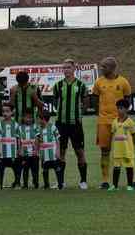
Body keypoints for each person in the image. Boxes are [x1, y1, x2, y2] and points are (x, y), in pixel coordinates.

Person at [91, 57, 132, 190]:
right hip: (103, 121)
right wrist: (101, 114)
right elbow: (95, 100)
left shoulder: (123, 82)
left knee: (125, 151)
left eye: (104, 67)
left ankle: (131, 181)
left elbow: (127, 101)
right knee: (104, 151)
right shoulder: (98, 82)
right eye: (101, 66)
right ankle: (105, 180)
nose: (101, 69)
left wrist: (123, 117)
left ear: (112, 68)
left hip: (119, 122)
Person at [52, 59, 88, 190]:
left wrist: (80, 114)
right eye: (64, 68)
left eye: (68, 67)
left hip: (76, 124)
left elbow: (86, 101)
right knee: (60, 152)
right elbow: (56, 101)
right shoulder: (57, 85)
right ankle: (61, 182)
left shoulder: (81, 85)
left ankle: (83, 181)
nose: (66, 70)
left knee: (79, 152)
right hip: (61, 124)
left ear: (74, 69)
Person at [108, 99, 135, 192]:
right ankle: (114, 185)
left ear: (126, 109)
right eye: (118, 108)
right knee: (116, 167)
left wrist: (132, 145)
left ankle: (129, 185)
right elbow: (112, 133)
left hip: (127, 149)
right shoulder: (115, 122)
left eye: (121, 108)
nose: (119, 110)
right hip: (117, 149)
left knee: (129, 166)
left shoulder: (130, 122)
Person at [0, 103, 22, 189]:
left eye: (7, 111)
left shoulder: (16, 124)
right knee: (0, 169)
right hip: (2, 153)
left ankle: (17, 183)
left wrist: (19, 150)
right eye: (3, 111)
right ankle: (0, 184)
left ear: (12, 112)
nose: (5, 113)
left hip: (13, 153)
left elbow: (18, 139)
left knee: (17, 168)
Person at [37, 110, 63, 190]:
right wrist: (39, 152)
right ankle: (46, 185)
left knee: (57, 169)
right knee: (45, 169)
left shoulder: (53, 127)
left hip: (53, 153)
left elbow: (58, 140)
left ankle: (60, 185)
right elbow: (39, 141)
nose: (38, 121)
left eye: (39, 119)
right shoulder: (39, 130)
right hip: (45, 154)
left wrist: (58, 151)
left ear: (43, 119)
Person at [19, 108, 39, 189]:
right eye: (27, 117)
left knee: (35, 170)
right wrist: (20, 150)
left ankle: (36, 183)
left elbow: (37, 139)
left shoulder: (35, 127)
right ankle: (25, 184)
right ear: (23, 118)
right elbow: (19, 140)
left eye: (30, 118)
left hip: (34, 154)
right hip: (25, 153)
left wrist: (36, 150)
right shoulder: (20, 128)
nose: (29, 119)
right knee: (25, 169)